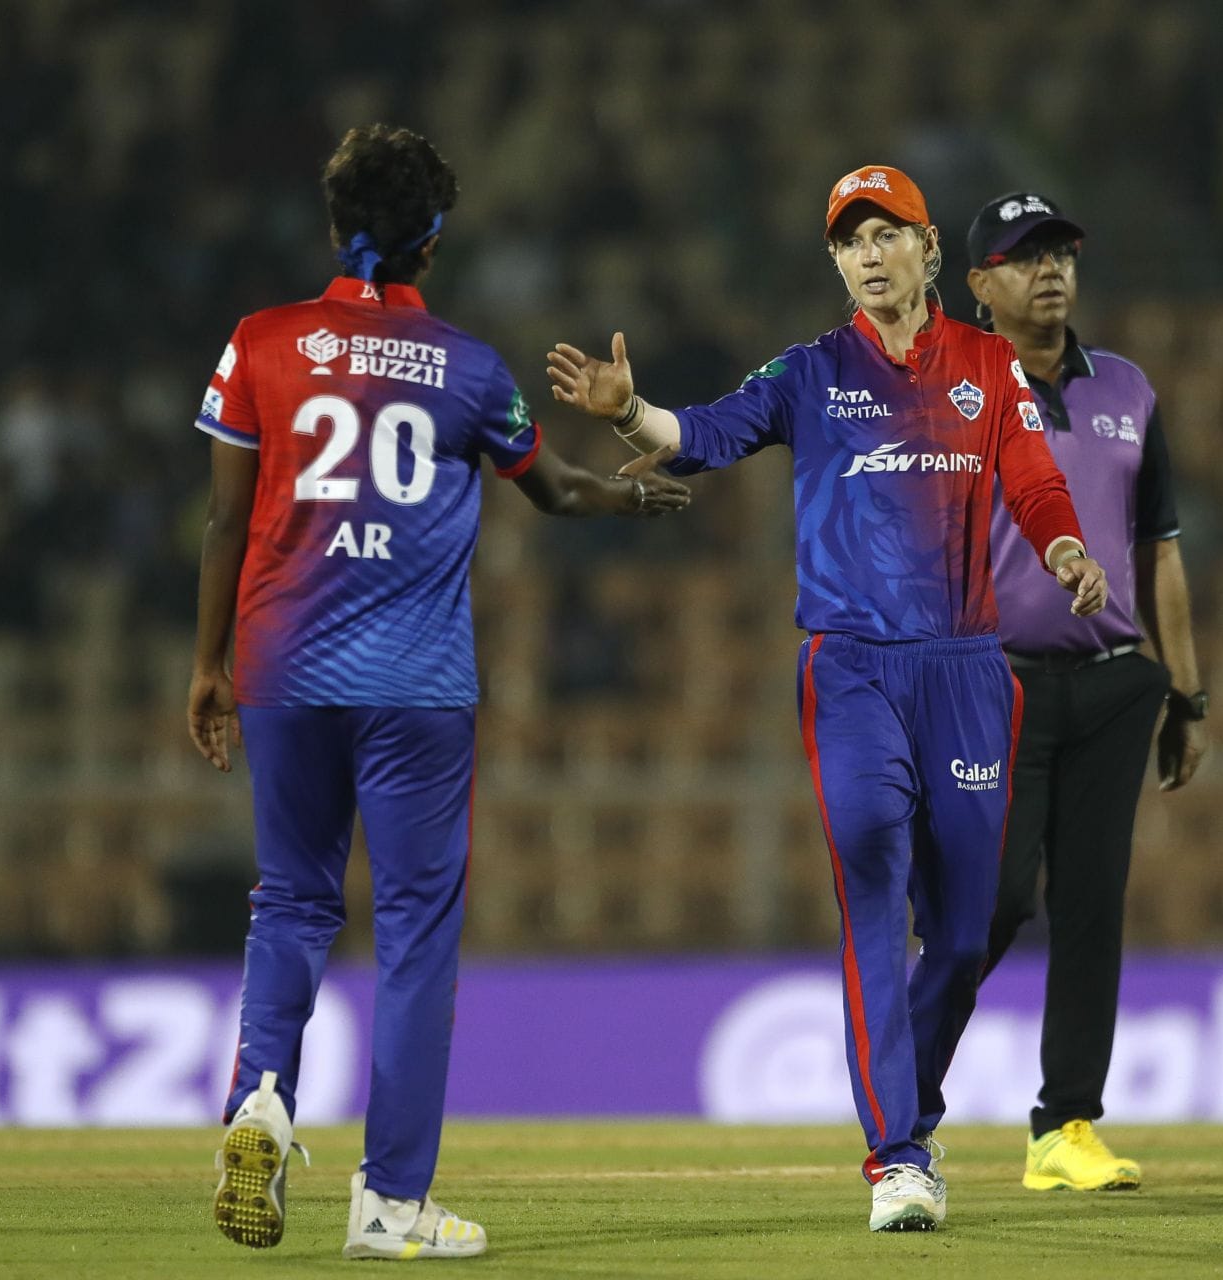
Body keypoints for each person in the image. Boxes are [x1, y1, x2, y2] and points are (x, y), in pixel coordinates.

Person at [546, 165, 1109, 1232]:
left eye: (884, 233)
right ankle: (897, 1154)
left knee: (967, 925)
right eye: (848, 240)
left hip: (966, 667)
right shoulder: (811, 370)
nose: (865, 254)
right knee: (867, 862)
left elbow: (1034, 480)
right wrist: (633, 417)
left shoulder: (989, 367)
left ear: (929, 248)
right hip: (849, 665)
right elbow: (707, 433)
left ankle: (916, 1103)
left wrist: (1069, 546)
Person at [188, 123, 690, 1261]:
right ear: (434, 241)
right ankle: (391, 1203)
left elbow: (226, 515)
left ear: (335, 227)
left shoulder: (258, 344)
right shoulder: (470, 368)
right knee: (412, 931)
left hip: (282, 669)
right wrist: (633, 498)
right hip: (416, 687)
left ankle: (259, 1098)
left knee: (292, 899)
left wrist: (205, 664)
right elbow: (552, 490)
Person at [965, 191, 1208, 1192]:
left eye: (1061, 250)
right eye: (1025, 257)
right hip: (994, 681)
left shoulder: (1130, 391)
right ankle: (902, 1075)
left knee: (1093, 907)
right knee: (995, 898)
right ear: (979, 285)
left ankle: (1065, 1125)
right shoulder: (948, 396)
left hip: (1113, 683)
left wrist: (1186, 696)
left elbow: (1161, 553)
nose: (1051, 269)